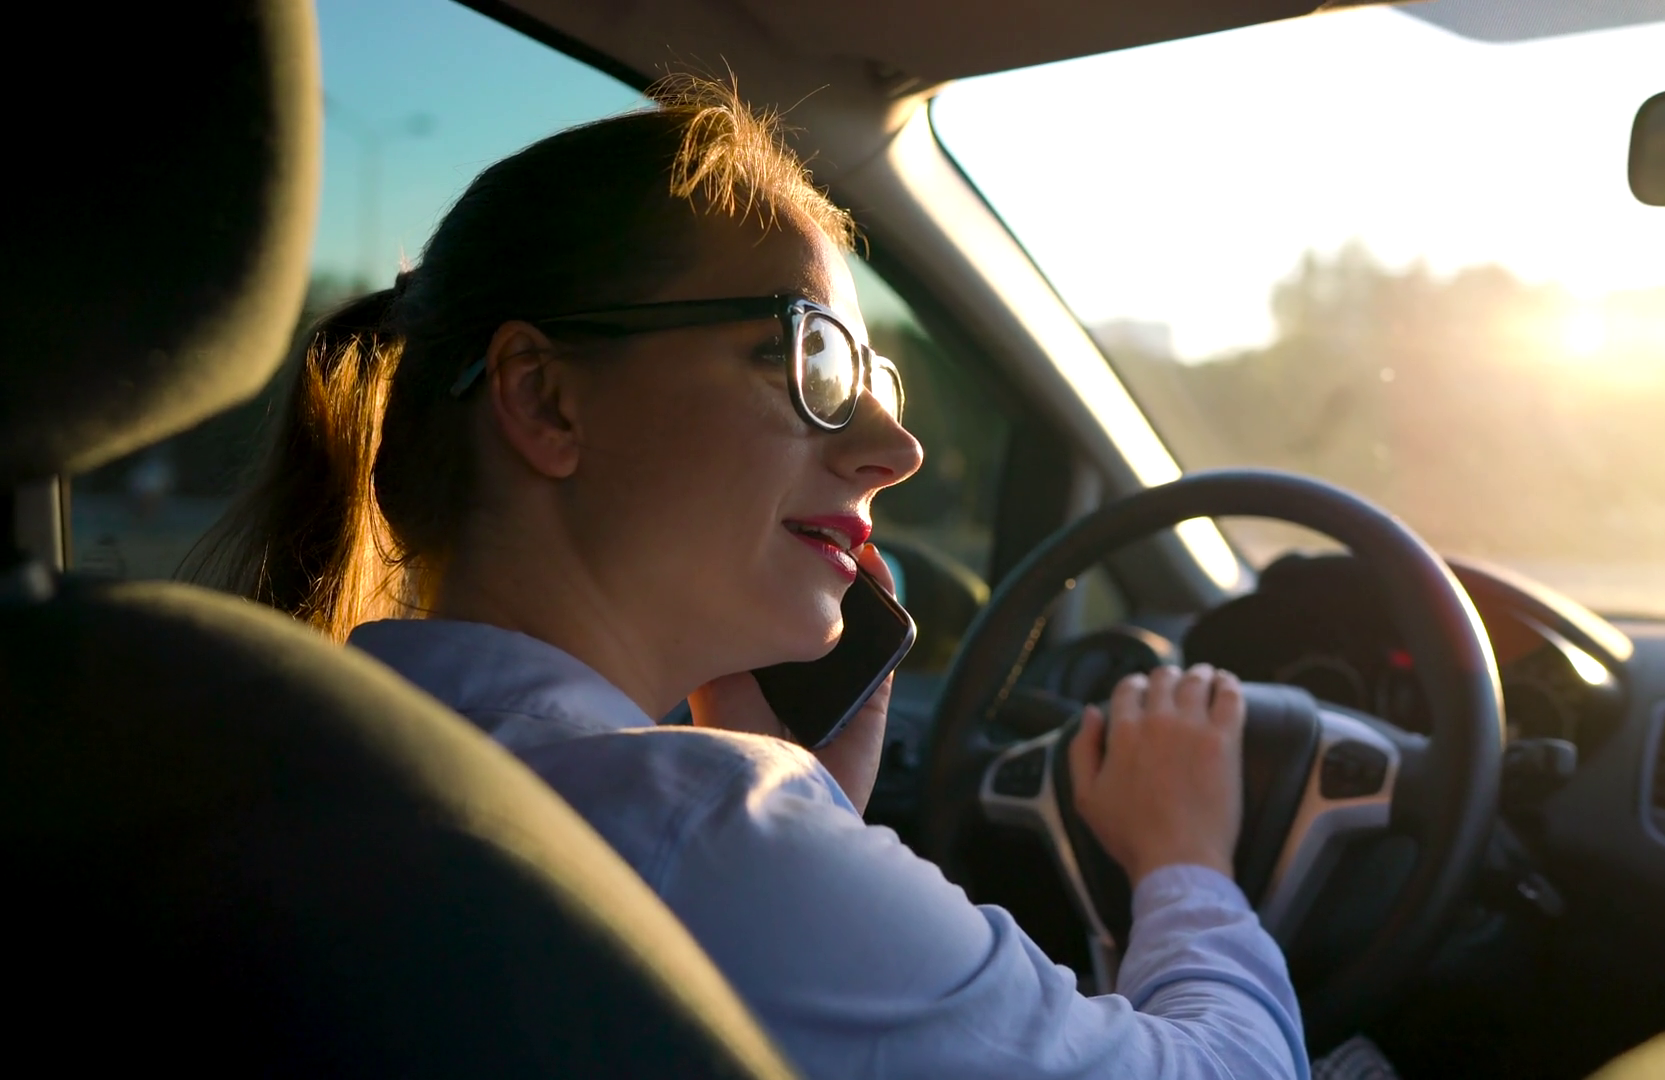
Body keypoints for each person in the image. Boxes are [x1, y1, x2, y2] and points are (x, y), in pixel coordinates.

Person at [200, 77, 1312, 1079]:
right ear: (545, 400)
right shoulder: (707, 837)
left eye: (876, 378)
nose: (896, 448)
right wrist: (1183, 857)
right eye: (812, 354)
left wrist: (819, 819)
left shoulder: (270, 759)